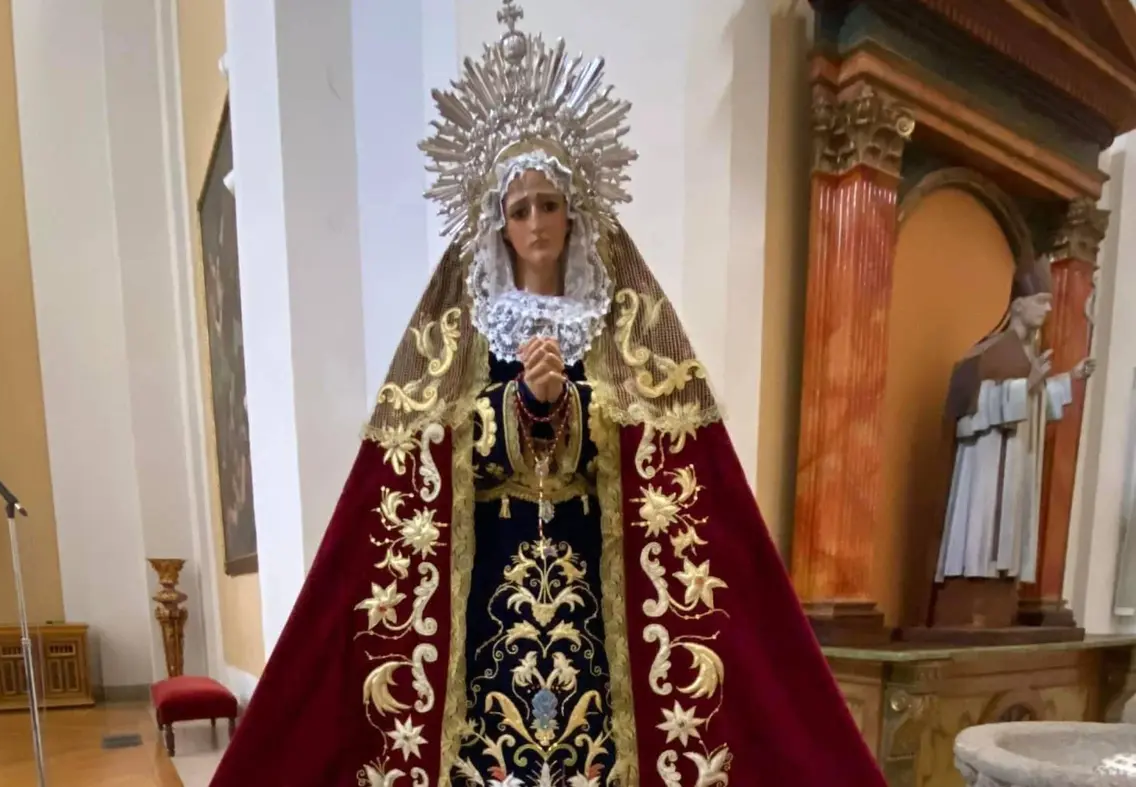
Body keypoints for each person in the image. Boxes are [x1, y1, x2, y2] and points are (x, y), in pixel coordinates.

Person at [209, 3, 885, 785]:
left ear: (576, 212)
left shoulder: (622, 326)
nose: (536, 223)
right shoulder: (464, 331)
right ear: (497, 222)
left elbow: (673, 466)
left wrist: (575, 409)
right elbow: (420, 460)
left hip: (593, 580)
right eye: (520, 207)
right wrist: (517, 407)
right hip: (491, 574)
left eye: (550, 204)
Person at [935, 262, 1095, 586]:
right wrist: (1026, 386)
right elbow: (968, 411)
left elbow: (1035, 400)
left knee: (1010, 529)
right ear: (1018, 305)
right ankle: (972, 583)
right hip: (988, 460)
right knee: (981, 530)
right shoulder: (990, 350)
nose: (1049, 309)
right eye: (1042, 300)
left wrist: (1070, 378)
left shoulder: (1029, 352)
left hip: (1018, 457)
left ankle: (1000, 582)